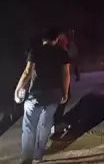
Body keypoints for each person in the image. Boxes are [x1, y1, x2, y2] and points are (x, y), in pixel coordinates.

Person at [14, 28, 71, 164]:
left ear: (43, 40)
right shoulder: (63, 53)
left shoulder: (36, 51)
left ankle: (26, 157)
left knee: (29, 126)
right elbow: (66, 74)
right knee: (45, 125)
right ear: (55, 39)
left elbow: (27, 72)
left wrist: (18, 89)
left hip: (36, 94)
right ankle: (38, 156)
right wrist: (65, 92)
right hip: (54, 95)